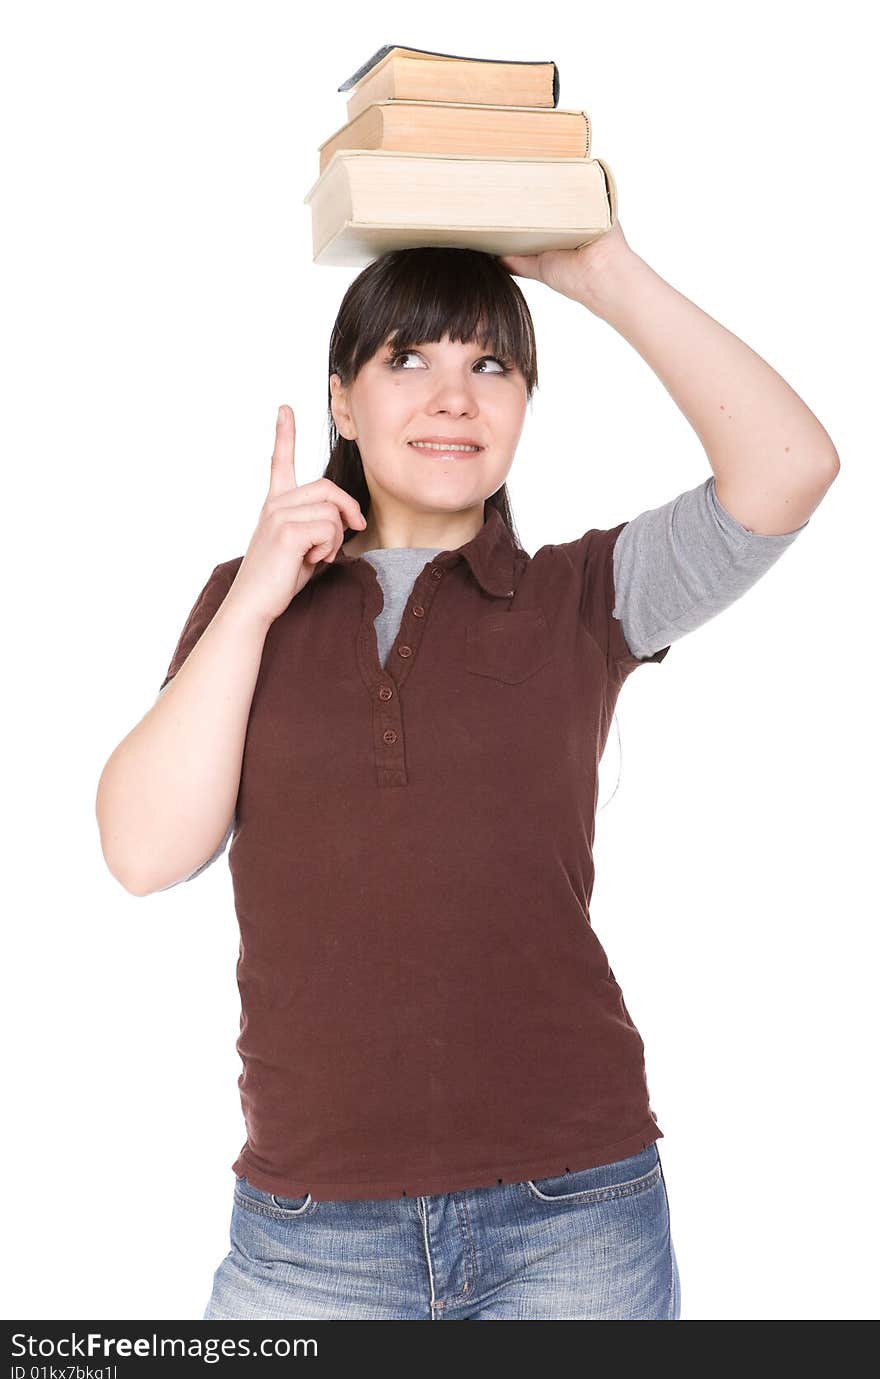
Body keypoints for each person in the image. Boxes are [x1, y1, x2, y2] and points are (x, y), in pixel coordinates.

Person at [95, 225, 839, 1319]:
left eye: (489, 365)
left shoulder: (584, 595)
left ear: (524, 407)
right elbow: (143, 853)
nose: (454, 397)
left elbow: (791, 465)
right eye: (408, 360)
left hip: (572, 1217)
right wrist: (258, 591)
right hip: (309, 1236)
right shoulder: (243, 606)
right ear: (342, 401)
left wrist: (598, 272)